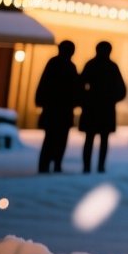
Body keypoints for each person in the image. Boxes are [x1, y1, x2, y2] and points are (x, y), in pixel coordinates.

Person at [78, 42, 127, 174]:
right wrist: (112, 99)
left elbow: (80, 85)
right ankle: (100, 166)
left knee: (90, 139)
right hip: (105, 108)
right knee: (103, 140)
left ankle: (87, 167)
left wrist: (86, 99)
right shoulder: (112, 67)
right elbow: (122, 89)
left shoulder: (91, 65)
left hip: (92, 108)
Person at [35, 41, 81, 174]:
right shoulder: (70, 66)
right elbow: (75, 89)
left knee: (50, 138)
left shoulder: (53, 63)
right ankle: (56, 163)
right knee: (60, 139)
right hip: (64, 110)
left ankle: (45, 164)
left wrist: (41, 101)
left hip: (51, 109)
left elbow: (43, 84)